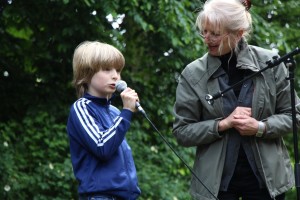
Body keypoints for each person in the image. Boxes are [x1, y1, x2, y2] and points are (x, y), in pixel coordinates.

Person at [172, 0, 300, 199]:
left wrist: (260, 127)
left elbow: (295, 115)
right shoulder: (192, 74)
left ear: (238, 33)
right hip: (216, 186)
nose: (207, 39)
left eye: (215, 33)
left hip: (267, 182)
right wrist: (222, 124)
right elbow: (181, 131)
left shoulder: (271, 63)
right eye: (204, 31)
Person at [66, 41, 141, 200]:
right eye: (107, 69)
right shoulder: (82, 108)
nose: (115, 76)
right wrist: (127, 111)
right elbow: (102, 147)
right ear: (86, 74)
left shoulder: (114, 112)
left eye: (118, 70)